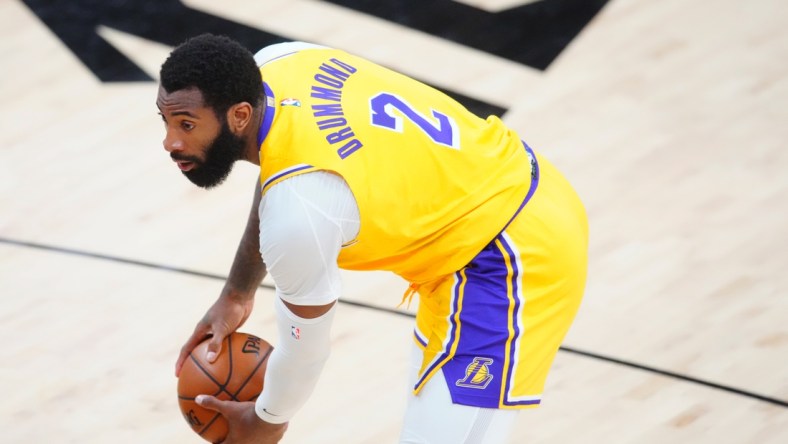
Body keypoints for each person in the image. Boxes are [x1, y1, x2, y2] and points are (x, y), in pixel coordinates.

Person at [159, 34, 588, 444]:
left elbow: (306, 352)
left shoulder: (298, 215)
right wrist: (237, 292)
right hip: (513, 186)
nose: (170, 142)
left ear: (239, 116)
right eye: (165, 120)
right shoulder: (281, 61)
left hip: (511, 259)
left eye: (187, 124)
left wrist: (266, 419)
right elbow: (283, 163)